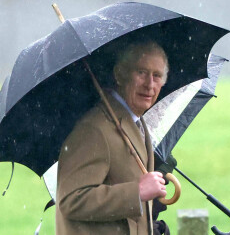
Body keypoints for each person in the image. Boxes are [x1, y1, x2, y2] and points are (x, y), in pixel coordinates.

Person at [56, 41, 170, 235]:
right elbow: (70, 200)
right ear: (119, 74)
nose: (149, 84)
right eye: (141, 72)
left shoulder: (136, 122)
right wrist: (137, 192)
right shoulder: (95, 128)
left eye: (157, 76)